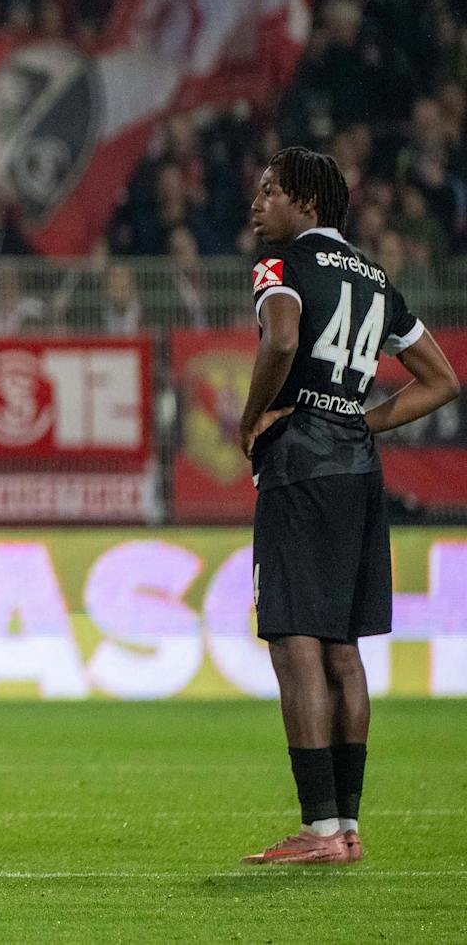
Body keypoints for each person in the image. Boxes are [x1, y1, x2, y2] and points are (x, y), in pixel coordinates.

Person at [237, 147, 458, 865]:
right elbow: (441, 380)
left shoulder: (282, 267)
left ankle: (319, 830)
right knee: (342, 648)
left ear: (306, 202)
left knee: (295, 640)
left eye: (269, 191)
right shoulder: (375, 278)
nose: (256, 204)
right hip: (359, 471)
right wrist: (365, 420)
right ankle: (349, 827)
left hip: (300, 467)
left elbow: (282, 336)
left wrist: (254, 415)